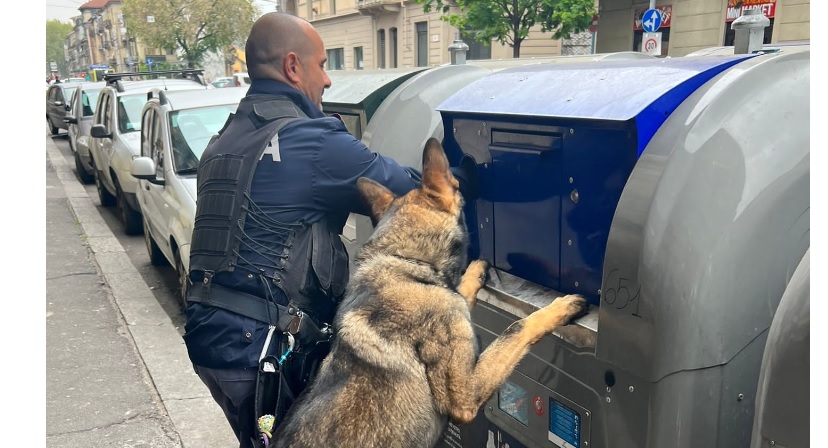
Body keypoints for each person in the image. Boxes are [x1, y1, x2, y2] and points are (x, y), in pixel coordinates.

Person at [182, 13, 427, 448]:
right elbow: (411, 191)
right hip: (260, 351)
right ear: (293, 67)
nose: (328, 80)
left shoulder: (225, 139)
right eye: (322, 64)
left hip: (211, 340)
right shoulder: (308, 139)